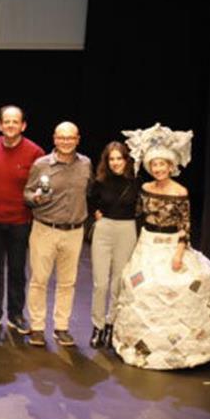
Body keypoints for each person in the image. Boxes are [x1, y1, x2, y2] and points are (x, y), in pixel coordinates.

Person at [112, 123, 210, 369]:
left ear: (171, 166)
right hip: (147, 243)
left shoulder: (180, 191)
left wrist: (178, 254)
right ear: (150, 167)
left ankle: (182, 349)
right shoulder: (145, 188)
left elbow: (185, 225)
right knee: (139, 285)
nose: (158, 169)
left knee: (180, 285)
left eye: (162, 164)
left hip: (171, 244)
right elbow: (135, 213)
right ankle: (139, 344)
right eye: (154, 165)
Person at [23, 121, 92, 347]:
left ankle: (61, 327)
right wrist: (36, 198)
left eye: (70, 137)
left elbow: (92, 193)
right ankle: (37, 327)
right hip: (45, 229)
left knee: (67, 283)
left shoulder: (86, 164)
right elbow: (27, 193)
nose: (65, 141)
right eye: (61, 137)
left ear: (78, 139)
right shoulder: (41, 164)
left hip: (73, 231)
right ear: (54, 139)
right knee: (39, 281)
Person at [0, 105, 44, 335]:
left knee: (17, 270)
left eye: (15, 121)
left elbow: (40, 187)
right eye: (6, 121)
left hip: (20, 221)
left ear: (23, 126)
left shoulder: (35, 153)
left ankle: (16, 314)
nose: (10, 125)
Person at [86, 141, 137, 348]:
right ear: (106, 161)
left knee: (118, 282)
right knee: (101, 283)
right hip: (104, 230)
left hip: (127, 230)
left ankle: (111, 324)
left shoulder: (136, 182)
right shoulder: (99, 181)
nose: (116, 163)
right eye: (112, 159)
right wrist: (95, 214)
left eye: (119, 158)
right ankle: (97, 326)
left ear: (126, 160)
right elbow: (90, 200)